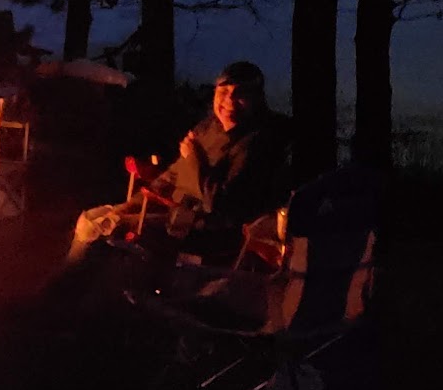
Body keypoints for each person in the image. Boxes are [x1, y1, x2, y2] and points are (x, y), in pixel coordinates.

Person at [68, 60, 294, 265]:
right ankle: (69, 277)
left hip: (207, 227)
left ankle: (88, 288)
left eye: (241, 94)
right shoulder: (209, 128)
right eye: (224, 91)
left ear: (257, 99)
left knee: (109, 228)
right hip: (175, 209)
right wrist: (137, 201)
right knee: (93, 217)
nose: (229, 101)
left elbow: (218, 204)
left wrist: (195, 157)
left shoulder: (255, 144)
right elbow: (175, 173)